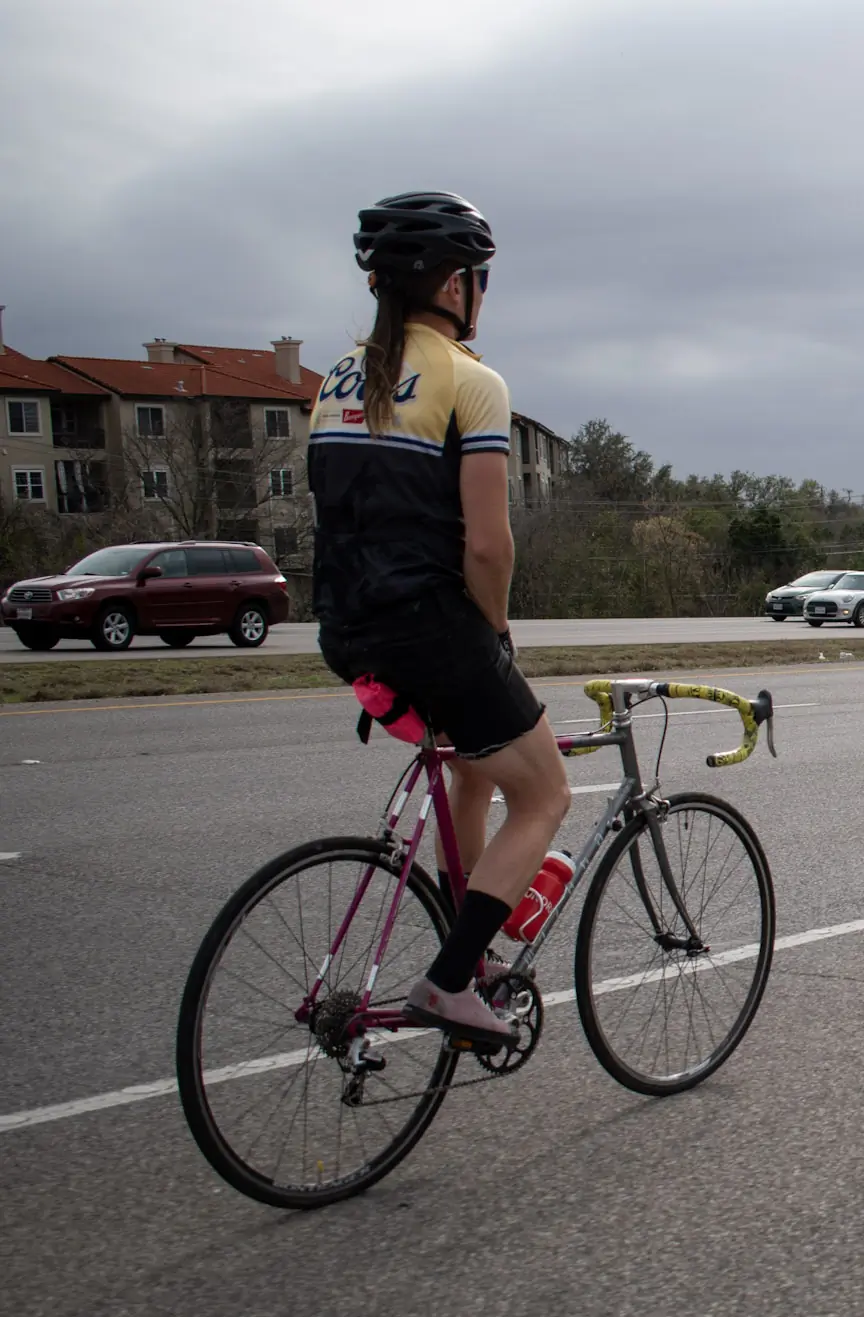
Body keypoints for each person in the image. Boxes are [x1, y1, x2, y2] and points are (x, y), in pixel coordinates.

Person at [309, 190, 572, 1045]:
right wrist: (495, 631)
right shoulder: (471, 380)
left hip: (345, 629)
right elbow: (488, 547)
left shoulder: (338, 379)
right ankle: (451, 982)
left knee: (476, 767)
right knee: (546, 793)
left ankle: (474, 951)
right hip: (431, 625)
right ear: (457, 284)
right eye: (481, 278)